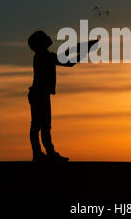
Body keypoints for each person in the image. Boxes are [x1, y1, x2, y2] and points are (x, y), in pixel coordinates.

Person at [27, 30, 97, 163]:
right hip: (40, 95)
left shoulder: (44, 55)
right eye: (45, 37)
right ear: (41, 43)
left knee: (39, 125)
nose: (49, 37)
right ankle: (45, 154)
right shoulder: (45, 56)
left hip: (38, 94)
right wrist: (86, 49)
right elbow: (69, 61)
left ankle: (41, 154)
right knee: (42, 126)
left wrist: (85, 46)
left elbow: (67, 53)